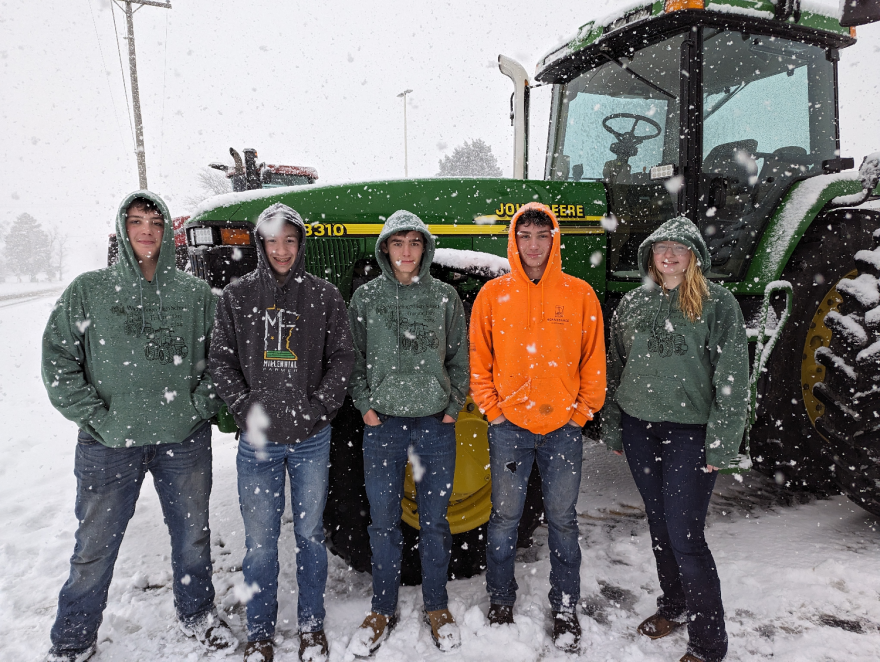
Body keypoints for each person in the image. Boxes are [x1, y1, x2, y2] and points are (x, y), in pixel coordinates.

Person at [41, 192, 234, 662]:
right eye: (135, 221)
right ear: (123, 230)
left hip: (181, 441)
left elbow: (222, 361)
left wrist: (197, 406)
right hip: (108, 443)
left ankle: (197, 612)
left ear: (168, 231)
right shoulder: (90, 291)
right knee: (94, 544)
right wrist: (96, 415)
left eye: (155, 221)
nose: (146, 230)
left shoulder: (195, 296)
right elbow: (58, 359)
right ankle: (73, 638)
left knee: (192, 536)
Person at [210, 203, 354, 662]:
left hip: (311, 438)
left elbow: (343, 359)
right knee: (259, 543)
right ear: (260, 244)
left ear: (301, 244)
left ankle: (312, 625)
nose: (282, 249)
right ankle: (259, 633)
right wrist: (245, 409)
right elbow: (221, 362)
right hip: (259, 444)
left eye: (290, 240)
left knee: (311, 535)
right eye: (273, 240)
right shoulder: (236, 297)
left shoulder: (325, 296)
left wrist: (319, 408)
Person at [602, 216, 749, 662]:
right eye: (661, 247)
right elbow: (616, 366)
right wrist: (613, 424)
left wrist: (722, 443)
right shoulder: (632, 303)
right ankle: (675, 604)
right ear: (650, 254)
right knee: (660, 526)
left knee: (685, 536)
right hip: (639, 426)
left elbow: (732, 378)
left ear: (694, 257)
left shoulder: (717, 303)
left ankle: (708, 646)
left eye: (679, 248)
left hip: (691, 432)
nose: (669, 255)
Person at [469, 202, 606, 653]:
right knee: (505, 518)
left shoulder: (579, 294)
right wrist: (494, 410)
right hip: (510, 428)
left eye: (541, 236)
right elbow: (479, 359)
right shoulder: (494, 295)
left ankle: (565, 606)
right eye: (524, 235)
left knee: (563, 521)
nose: (532, 245)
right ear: (514, 240)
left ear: (554, 240)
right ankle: (501, 599)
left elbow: (593, 361)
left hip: (563, 428)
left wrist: (581, 413)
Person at [345, 210, 469, 655]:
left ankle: (437, 606)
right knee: (383, 522)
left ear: (425, 248)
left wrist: (453, 407)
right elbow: (352, 357)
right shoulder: (366, 298)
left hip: (435, 424)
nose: (406, 252)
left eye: (414, 243)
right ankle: (382, 608)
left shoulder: (445, 297)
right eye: (398, 244)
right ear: (385, 249)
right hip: (384, 427)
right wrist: (366, 405)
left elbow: (460, 357)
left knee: (435, 522)